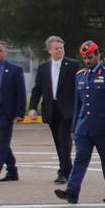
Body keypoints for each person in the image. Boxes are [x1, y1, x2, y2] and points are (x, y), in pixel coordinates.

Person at [54, 41, 105, 204]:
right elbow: (78, 104)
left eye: (90, 57)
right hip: (83, 127)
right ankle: (72, 192)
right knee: (79, 160)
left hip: (103, 126)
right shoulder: (80, 75)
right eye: (85, 58)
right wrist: (75, 126)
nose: (88, 61)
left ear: (98, 55)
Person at [28, 36, 81, 184]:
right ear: (49, 50)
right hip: (51, 108)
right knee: (58, 141)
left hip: (67, 109)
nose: (59, 51)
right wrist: (32, 107)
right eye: (56, 48)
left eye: (61, 48)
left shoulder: (73, 65)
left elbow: (80, 87)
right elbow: (37, 89)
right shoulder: (44, 67)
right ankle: (67, 168)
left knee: (64, 140)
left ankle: (63, 171)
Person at [0, 40, 26, 184]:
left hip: (5, 111)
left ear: (5, 52)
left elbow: (21, 92)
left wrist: (20, 112)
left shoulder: (14, 69)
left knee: (2, 142)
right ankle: (12, 170)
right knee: (1, 142)